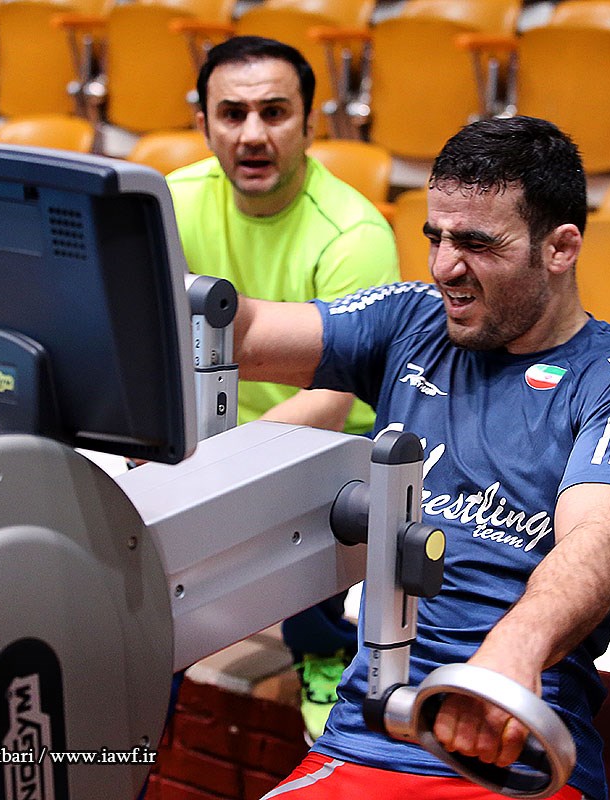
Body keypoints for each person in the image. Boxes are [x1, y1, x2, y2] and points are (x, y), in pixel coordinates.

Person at [231, 116, 610, 800]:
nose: (445, 266)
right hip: (363, 734)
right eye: (436, 238)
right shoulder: (409, 321)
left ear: (560, 248)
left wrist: (511, 653)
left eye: (477, 243)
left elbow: (601, 540)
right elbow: (246, 331)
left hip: (506, 747)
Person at [165, 36, 400, 741]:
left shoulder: (353, 234)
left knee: (331, 491)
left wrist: (217, 466)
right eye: (231, 113)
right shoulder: (169, 205)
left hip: (325, 441)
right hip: (202, 436)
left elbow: (332, 402)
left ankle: (323, 649)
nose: (252, 134)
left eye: (274, 112)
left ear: (309, 124)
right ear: (203, 123)